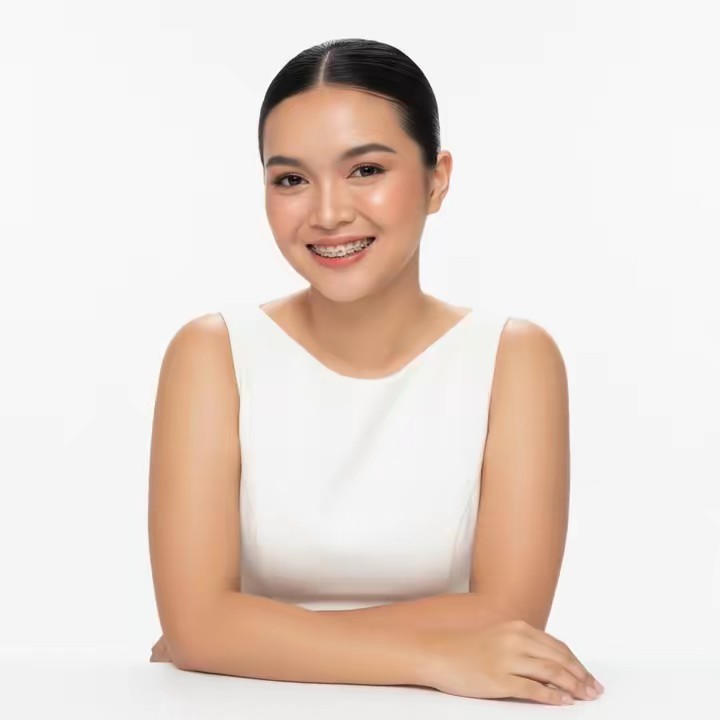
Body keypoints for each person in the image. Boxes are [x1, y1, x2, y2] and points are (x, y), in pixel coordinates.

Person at [148, 38, 603, 706]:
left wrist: (238, 633)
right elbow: (196, 629)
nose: (329, 213)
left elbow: (511, 620)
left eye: (365, 169)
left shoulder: (514, 359)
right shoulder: (212, 354)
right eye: (291, 179)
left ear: (436, 179)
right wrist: (435, 654)